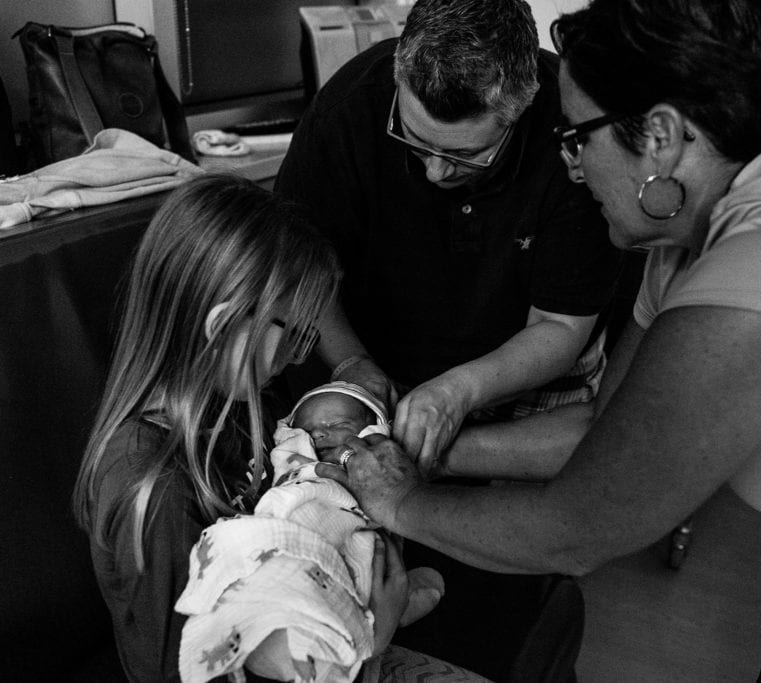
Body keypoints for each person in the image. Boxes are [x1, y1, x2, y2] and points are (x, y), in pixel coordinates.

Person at [320, 1, 761, 681]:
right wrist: (408, 449)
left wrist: (403, 502)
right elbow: (604, 430)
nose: (570, 167)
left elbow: (581, 526)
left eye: (575, 137)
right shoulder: (689, 240)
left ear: (659, 136)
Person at [72, 175, 477, 682]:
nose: (301, 357)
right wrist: (374, 630)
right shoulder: (151, 487)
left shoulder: (251, 407)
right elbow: (186, 668)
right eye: (295, 333)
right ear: (222, 327)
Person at [275, 0, 622, 470]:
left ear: (518, 111)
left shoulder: (571, 131)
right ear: (399, 77)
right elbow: (296, 270)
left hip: (528, 369)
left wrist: (458, 390)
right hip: (371, 350)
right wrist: (350, 364)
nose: (436, 173)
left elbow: (559, 326)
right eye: (416, 142)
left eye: (465, 154)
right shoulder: (348, 110)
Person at [176, 380, 448, 682]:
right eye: (307, 429)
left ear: (373, 430)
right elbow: (289, 484)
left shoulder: (383, 465)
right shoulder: (297, 464)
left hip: (356, 539)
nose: (319, 433)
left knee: (367, 565)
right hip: (294, 528)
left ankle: (367, 616)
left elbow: (386, 493)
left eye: (338, 424)